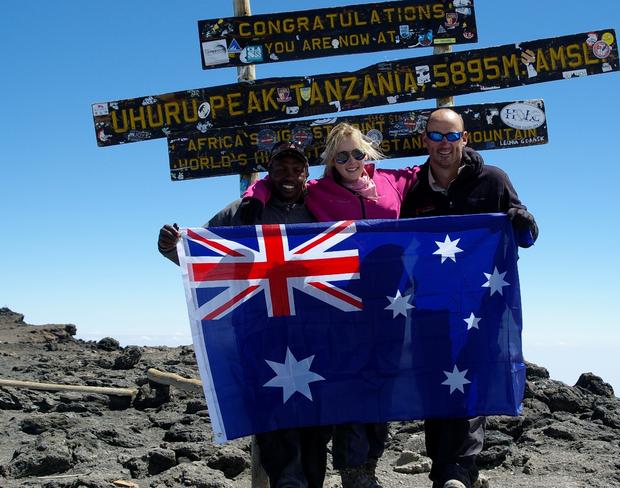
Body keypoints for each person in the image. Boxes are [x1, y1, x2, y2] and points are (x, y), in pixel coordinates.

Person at [243, 122, 421, 488]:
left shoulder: (394, 181)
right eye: (342, 155)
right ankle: (352, 468)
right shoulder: (318, 191)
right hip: (342, 302)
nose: (351, 160)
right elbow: (277, 181)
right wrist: (254, 197)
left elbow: (437, 170)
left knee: (382, 379)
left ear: (367, 153)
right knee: (351, 381)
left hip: (391, 301)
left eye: (357, 153)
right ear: (330, 160)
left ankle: (370, 464)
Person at [157, 142, 332, 488]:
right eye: (280, 168)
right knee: (270, 408)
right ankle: (287, 481)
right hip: (260, 331)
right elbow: (200, 255)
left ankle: (309, 481)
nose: (288, 175)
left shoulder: (323, 206)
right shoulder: (243, 210)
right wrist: (170, 248)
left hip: (314, 332)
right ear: (269, 171)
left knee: (315, 418)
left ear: (306, 174)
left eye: (296, 169)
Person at [400, 108, 538, 488]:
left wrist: (522, 223)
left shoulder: (493, 179)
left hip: (481, 304)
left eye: (452, 136)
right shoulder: (415, 191)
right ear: (425, 140)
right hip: (430, 302)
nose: (444, 145)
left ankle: (458, 471)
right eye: (437, 136)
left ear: (465, 138)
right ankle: (442, 469)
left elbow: (526, 233)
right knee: (436, 383)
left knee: (469, 381)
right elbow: (402, 242)